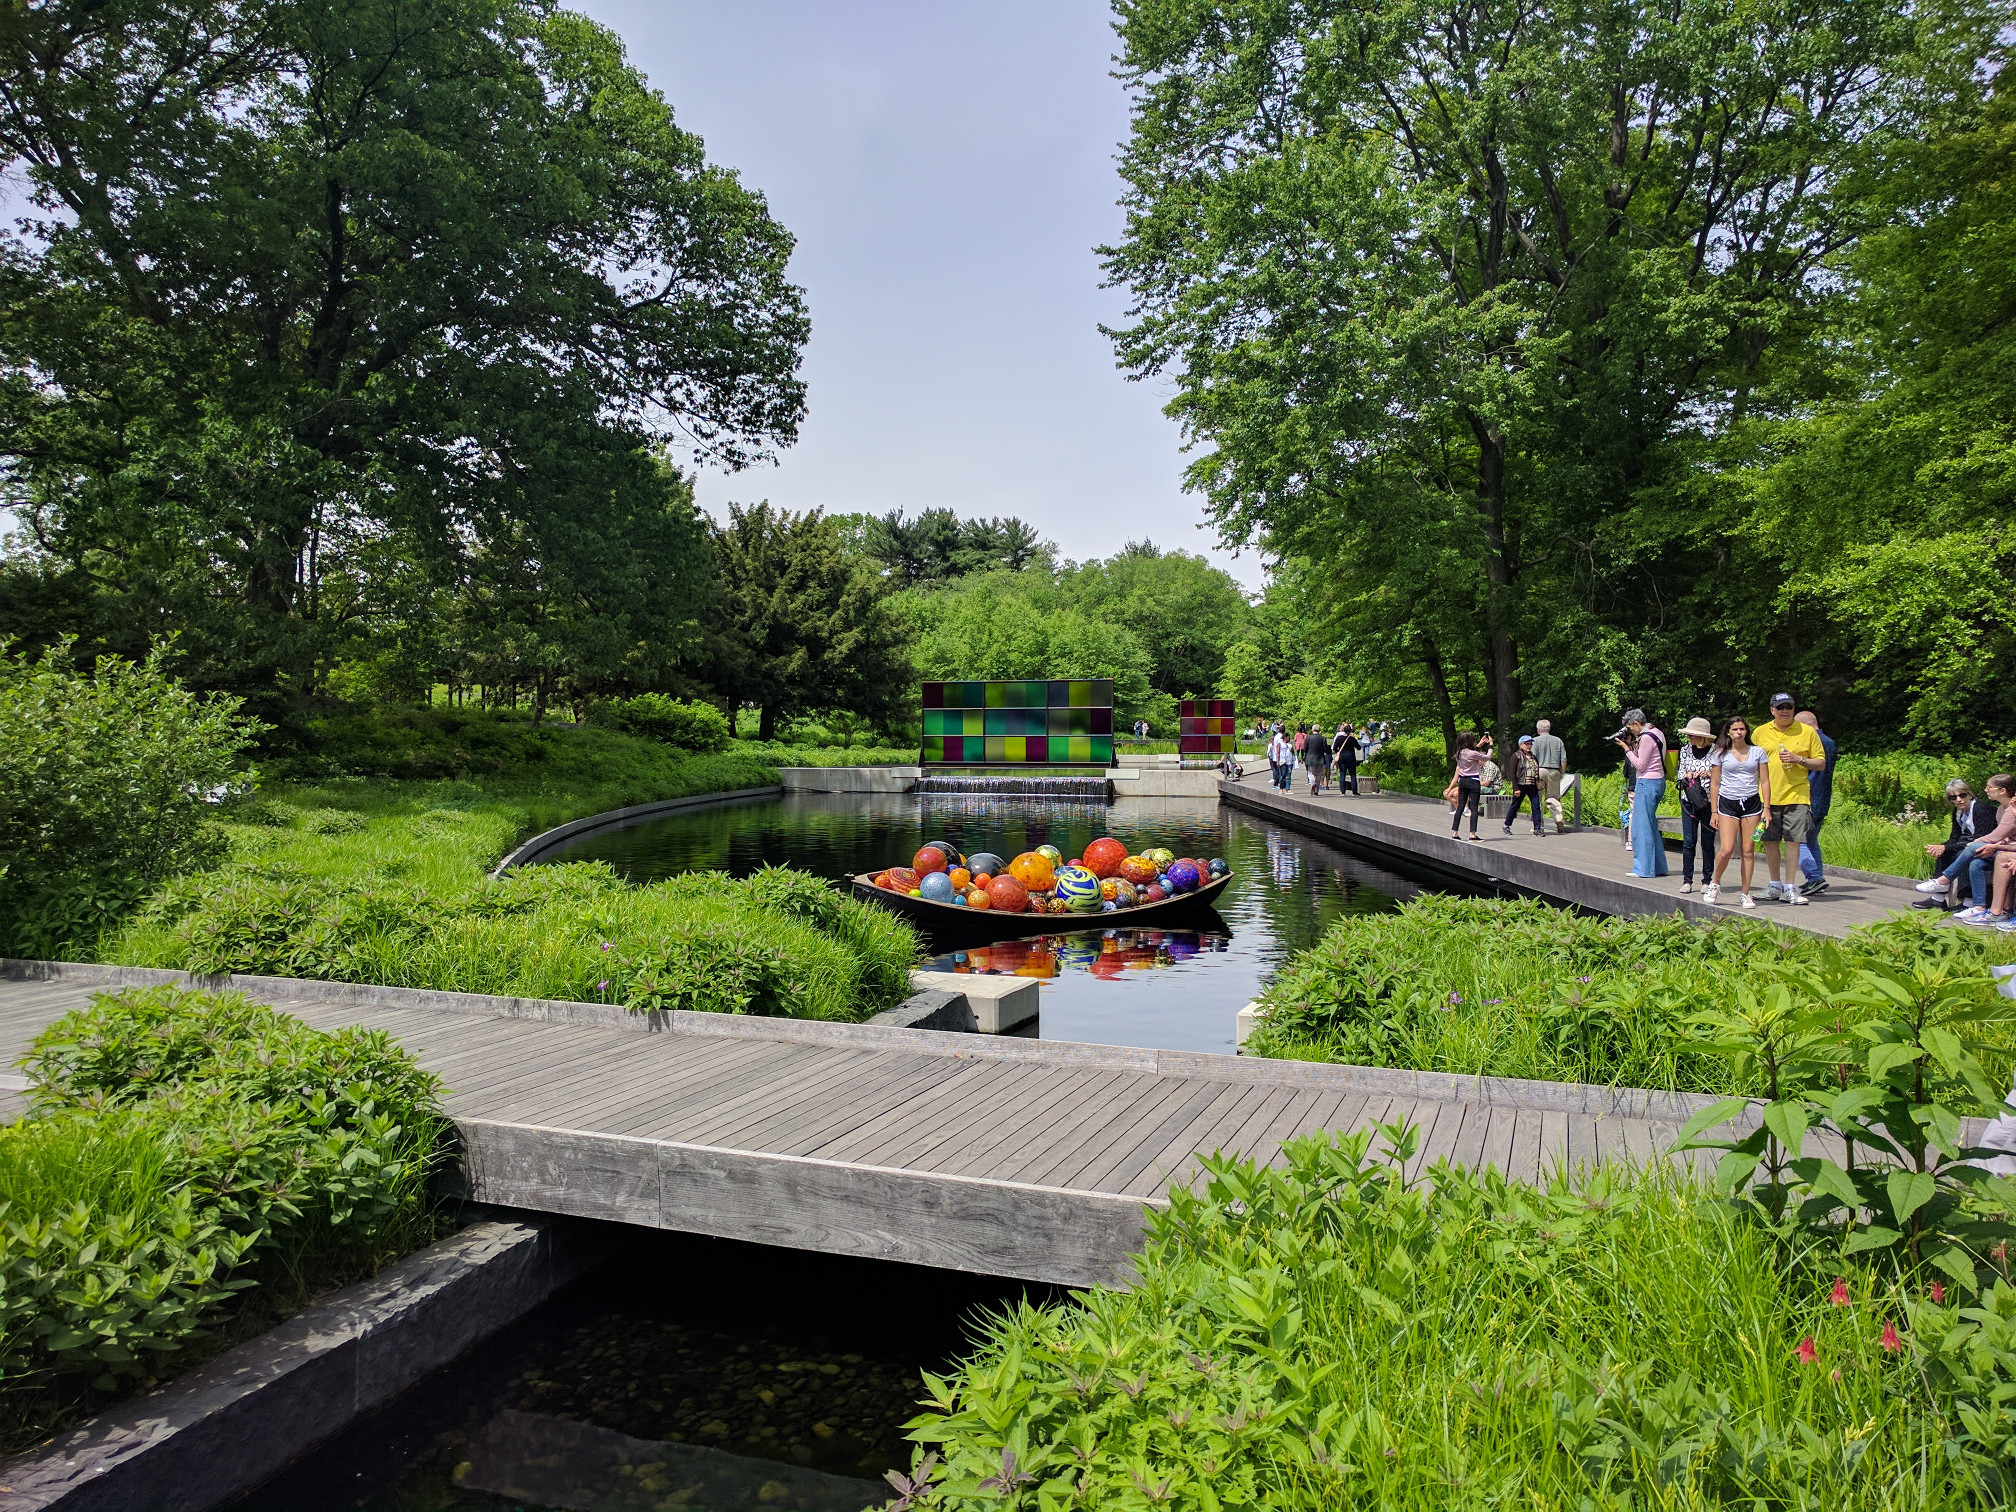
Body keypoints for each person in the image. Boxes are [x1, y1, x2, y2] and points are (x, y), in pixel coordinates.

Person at [1749, 693, 1826, 906]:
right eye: (1780, 707)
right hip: (1767, 798)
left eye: (1789, 706)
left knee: (1794, 842)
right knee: (1769, 842)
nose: (1785, 710)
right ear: (1772, 709)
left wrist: (1798, 758)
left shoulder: (1807, 732)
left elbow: (1820, 763)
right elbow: (1749, 762)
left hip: (1797, 796)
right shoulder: (1759, 733)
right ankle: (1774, 885)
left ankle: (1790, 887)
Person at [1916, 774, 2016, 917]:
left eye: (1962, 795)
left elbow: (1994, 836)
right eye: (1953, 797)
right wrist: (1942, 847)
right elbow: (1955, 837)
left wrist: (1974, 844)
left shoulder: (1984, 809)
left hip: (2000, 848)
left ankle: (1947, 883)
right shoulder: (2000, 809)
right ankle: (1975, 905)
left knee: (1967, 850)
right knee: (1972, 862)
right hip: (1998, 846)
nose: (1958, 800)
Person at [1707, 715, 1772, 907]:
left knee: (1748, 850)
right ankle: (1715, 882)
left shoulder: (1757, 752)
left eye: (1742, 729)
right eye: (1735, 729)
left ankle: (1745, 893)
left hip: (1751, 803)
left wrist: (1766, 808)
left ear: (1746, 731)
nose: (1738, 732)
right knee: (1727, 849)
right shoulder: (1720, 754)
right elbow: (1715, 783)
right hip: (1728, 803)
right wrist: (1714, 811)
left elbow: (1765, 781)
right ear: (1728, 732)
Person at [1621, 709, 1670, 878]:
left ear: (1636, 723)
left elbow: (1640, 765)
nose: (1630, 732)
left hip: (1647, 782)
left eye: (1630, 728)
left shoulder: (1647, 737)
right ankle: (1658, 867)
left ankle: (1643, 869)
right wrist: (1634, 745)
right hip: (1657, 781)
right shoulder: (1657, 732)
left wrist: (1626, 749)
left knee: (1640, 827)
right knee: (1650, 825)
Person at [1795, 710, 1837, 896]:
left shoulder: (1810, 743)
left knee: (1797, 840)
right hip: (1823, 799)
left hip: (1807, 798)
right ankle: (1816, 879)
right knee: (1812, 840)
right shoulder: (1830, 742)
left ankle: (1814, 877)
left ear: (1805, 725)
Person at [1675, 717, 1718, 894]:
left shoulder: (1716, 752)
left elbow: (1721, 776)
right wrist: (1688, 776)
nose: (1689, 738)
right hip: (1689, 800)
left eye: (1692, 735)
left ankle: (1707, 880)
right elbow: (1679, 775)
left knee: (1707, 842)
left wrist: (1709, 774)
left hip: (1708, 802)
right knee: (1689, 841)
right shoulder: (1684, 750)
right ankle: (1687, 880)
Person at [1446, 730, 1487, 841]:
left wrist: (1479, 745)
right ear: (1470, 741)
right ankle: (1472, 834)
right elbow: (1485, 757)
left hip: (1462, 781)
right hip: (1473, 781)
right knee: (1474, 808)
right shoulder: (1472, 753)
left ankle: (1455, 832)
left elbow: (1471, 752)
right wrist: (1491, 746)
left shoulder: (1459, 753)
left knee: (1460, 807)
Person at [1502, 734, 1545, 837]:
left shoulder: (1533, 756)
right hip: (1521, 785)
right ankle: (1507, 825)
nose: (1528, 746)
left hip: (1532, 785)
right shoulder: (1516, 756)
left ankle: (1537, 828)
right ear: (1521, 744)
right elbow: (1512, 773)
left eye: (1530, 743)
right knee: (1515, 805)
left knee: (1536, 806)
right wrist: (1515, 788)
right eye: (1526, 744)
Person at [1531, 718, 1567, 827]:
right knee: (1553, 798)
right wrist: (1561, 773)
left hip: (1540, 770)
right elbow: (1563, 760)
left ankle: (1538, 825)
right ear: (1549, 729)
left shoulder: (1535, 741)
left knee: (1536, 798)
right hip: (1555, 771)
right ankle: (1558, 818)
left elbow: (1531, 759)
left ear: (1538, 730)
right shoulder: (1558, 741)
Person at [1333, 723, 1360, 796]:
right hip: (1351, 757)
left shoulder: (1339, 738)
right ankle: (1354, 791)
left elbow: (1334, 748)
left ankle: (1342, 791)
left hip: (1342, 758)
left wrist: (1338, 752)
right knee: (1353, 774)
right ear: (1350, 731)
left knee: (1342, 773)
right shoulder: (1352, 739)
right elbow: (1359, 747)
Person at [1304, 720, 1331, 794]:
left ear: (1312, 730)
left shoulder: (1308, 738)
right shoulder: (1323, 738)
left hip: (1310, 758)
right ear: (1319, 730)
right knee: (1319, 773)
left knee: (1311, 773)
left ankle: (1313, 783)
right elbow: (1325, 749)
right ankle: (1316, 790)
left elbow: (1305, 749)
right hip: (1320, 758)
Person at [1266, 725, 1292, 790]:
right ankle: (1278, 784)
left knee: (1276, 770)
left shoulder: (1276, 736)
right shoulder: (1281, 737)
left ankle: (1277, 783)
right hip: (1280, 756)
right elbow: (1280, 746)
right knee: (1280, 771)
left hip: (1275, 755)